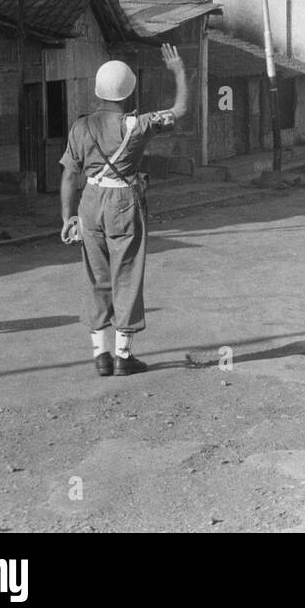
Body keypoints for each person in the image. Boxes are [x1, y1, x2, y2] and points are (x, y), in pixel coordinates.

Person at [60, 44, 188, 377]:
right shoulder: (139, 124)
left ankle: (100, 355)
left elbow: (69, 174)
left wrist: (67, 217)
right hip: (123, 203)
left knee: (96, 277)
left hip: (90, 200)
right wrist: (177, 71)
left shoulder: (81, 127)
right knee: (126, 276)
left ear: (99, 92)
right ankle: (123, 356)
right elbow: (181, 108)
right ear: (129, 92)